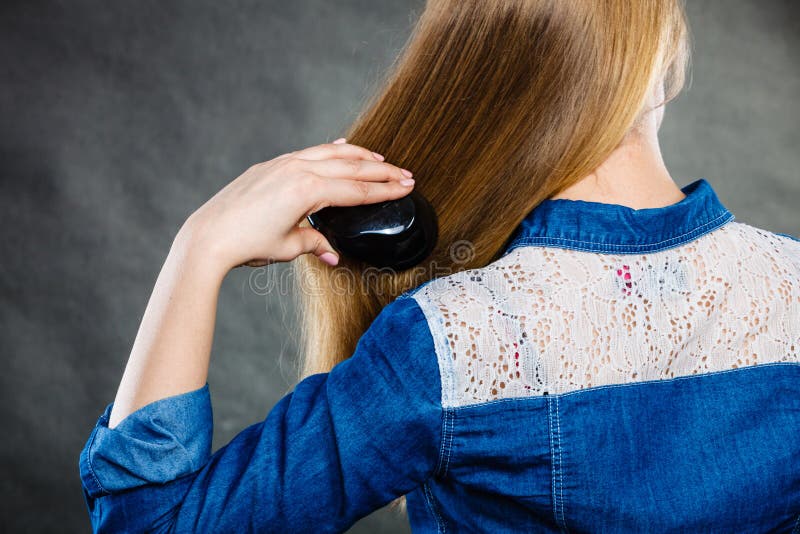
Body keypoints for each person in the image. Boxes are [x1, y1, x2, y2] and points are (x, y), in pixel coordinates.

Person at [79, 1, 800, 532]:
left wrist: (200, 245)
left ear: (482, 76)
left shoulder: (450, 344)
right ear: (663, 61)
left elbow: (150, 524)